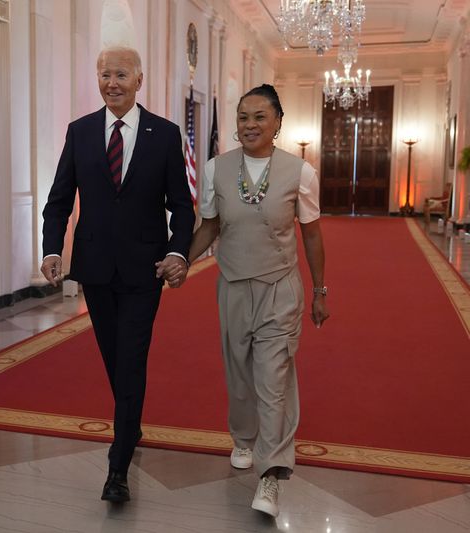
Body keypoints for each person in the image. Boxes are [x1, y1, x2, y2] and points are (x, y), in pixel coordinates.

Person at [41, 46, 195, 503]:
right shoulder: (81, 131)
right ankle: (133, 420)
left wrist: (178, 253)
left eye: (121, 75)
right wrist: (52, 249)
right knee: (115, 356)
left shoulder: (164, 135)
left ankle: (117, 467)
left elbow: (182, 207)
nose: (112, 83)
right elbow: (59, 199)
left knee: (130, 357)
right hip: (95, 269)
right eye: (105, 74)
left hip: (145, 271)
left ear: (139, 80)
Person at [186, 84, 329, 517]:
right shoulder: (215, 169)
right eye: (243, 117)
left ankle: (271, 474)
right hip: (231, 285)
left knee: (273, 379)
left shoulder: (299, 172)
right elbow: (209, 227)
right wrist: (180, 261)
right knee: (240, 374)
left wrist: (320, 291)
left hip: (279, 289)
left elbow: (312, 234)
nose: (249, 125)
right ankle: (244, 438)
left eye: (259, 117)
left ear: (278, 123)